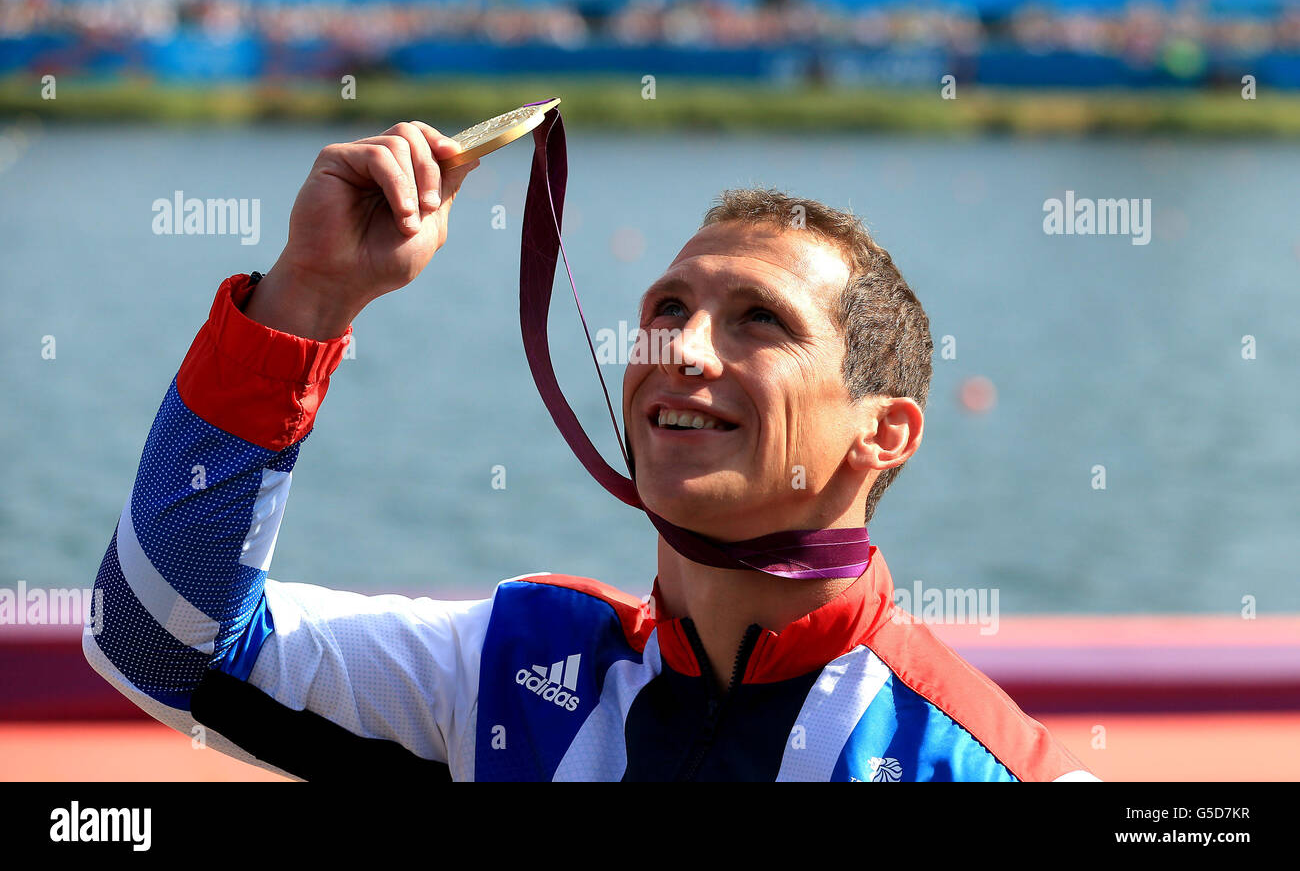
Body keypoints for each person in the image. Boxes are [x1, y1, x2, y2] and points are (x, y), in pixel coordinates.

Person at [84, 120, 1097, 782]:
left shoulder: (979, 762)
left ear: (884, 431)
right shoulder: (512, 666)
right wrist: (305, 297)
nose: (682, 351)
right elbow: (158, 641)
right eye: (666, 308)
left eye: (758, 321)